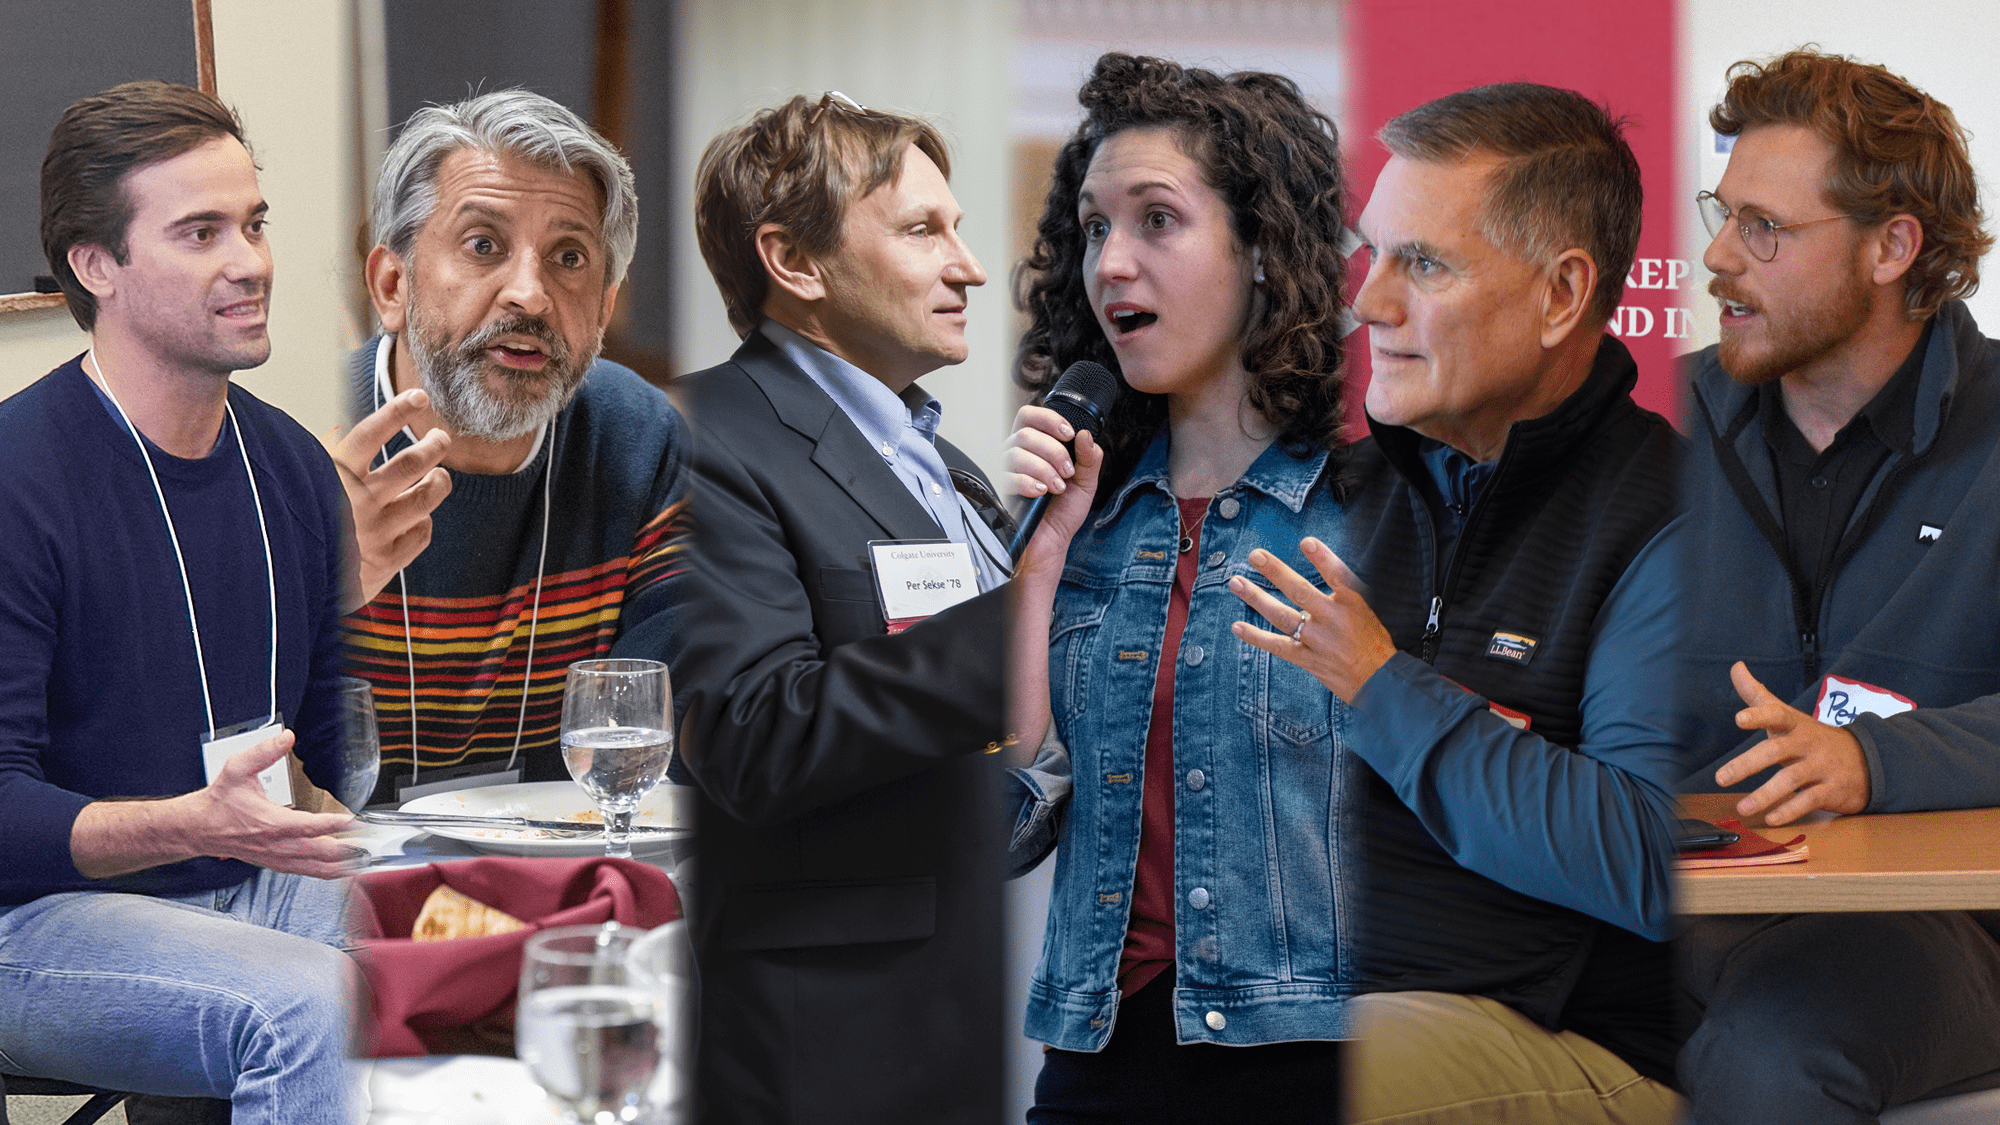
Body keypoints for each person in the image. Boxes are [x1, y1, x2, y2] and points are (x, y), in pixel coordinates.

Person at [1228, 84, 1687, 1123]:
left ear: (1561, 294)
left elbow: (1645, 857)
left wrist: (1379, 685)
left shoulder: (1673, 521)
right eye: (1370, 254)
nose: (1368, 302)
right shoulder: (1324, 495)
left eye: (1421, 265)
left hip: (1566, 1036)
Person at [1002, 54, 1353, 1122]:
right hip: (1098, 1054)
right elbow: (1003, 826)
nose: (1111, 263)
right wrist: (1035, 565)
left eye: (1156, 220)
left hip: (1317, 1053)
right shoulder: (1081, 517)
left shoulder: (1375, 508)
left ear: (1262, 252)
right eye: (1095, 228)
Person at [0, 81, 354, 1124]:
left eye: (251, 224)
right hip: (33, 921)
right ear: (95, 265)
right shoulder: (16, 478)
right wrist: (188, 825)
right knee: (318, 1009)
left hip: (236, 881)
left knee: (499, 937)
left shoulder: (290, 465)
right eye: (200, 232)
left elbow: (343, 743)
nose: (249, 262)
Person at [661, 91, 1017, 1124]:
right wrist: (1033, 613)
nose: (969, 266)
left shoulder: (937, 462)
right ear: (796, 263)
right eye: (922, 231)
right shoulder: (703, 437)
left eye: (958, 228)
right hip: (841, 1029)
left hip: (992, 985)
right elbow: (750, 732)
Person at [1676, 49, 2000, 1124]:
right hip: (1667, 909)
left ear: (1889, 247)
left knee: (1771, 1059)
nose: (1717, 255)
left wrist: (1872, 761)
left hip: (1928, 931)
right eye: (1719, 216)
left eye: (1762, 227)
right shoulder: (1638, 428)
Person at [335, 90, 689, 805]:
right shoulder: (294, 442)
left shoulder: (641, 440)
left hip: (565, 865)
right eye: (483, 245)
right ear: (392, 284)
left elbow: (662, 736)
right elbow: (221, 739)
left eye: (568, 256)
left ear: (603, 311)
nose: (529, 294)